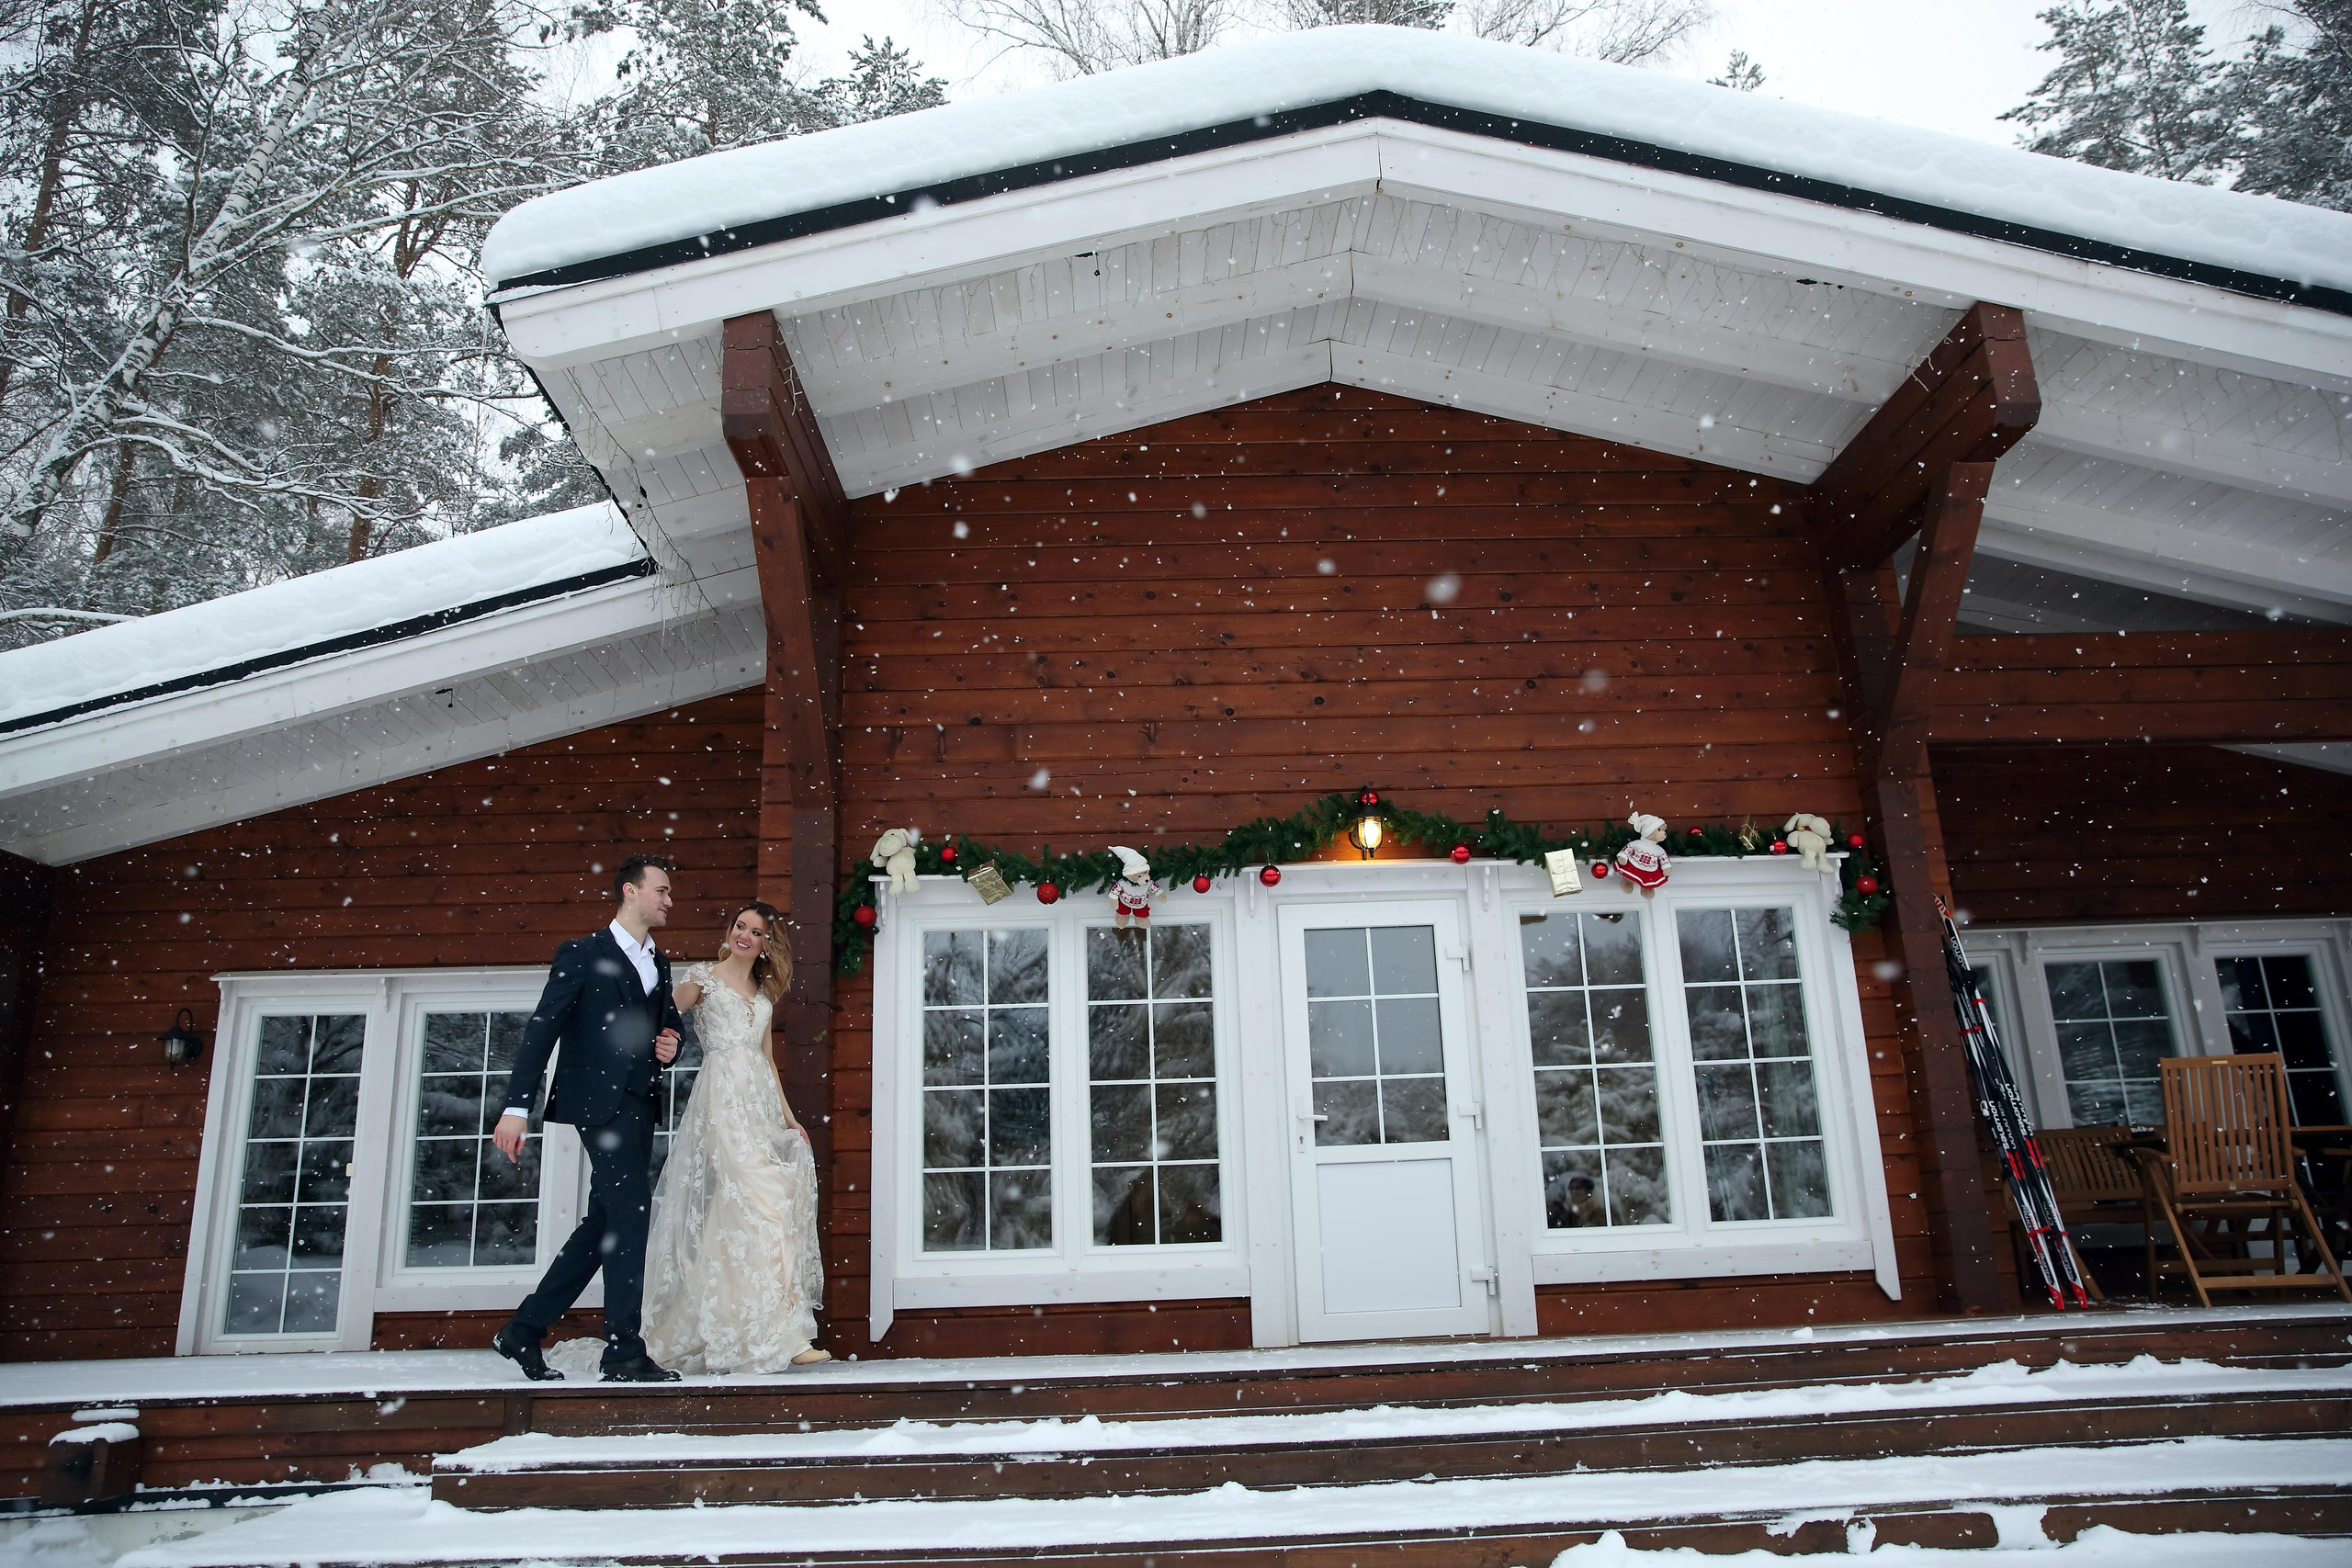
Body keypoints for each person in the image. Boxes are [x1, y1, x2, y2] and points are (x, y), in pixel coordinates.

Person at [490, 854, 686, 1383]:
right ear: (630, 892)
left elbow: (667, 1026)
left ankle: (524, 1330)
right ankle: (623, 1351)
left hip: (641, 1103)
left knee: (607, 1221)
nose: (669, 901)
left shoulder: (659, 963)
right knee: (631, 1215)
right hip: (598, 1104)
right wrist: (515, 1107)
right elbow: (542, 1029)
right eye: (662, 891)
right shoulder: (580, 954)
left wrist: (672, 1042)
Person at [641, 901, 830, 1372]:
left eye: (756, 931)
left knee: (757, 1213)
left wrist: (788, 1118)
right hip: (722, 1098)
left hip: (759, 1103)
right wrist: (655, 1040)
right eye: (740, 927)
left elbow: (766, 1060)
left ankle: (761, 1328)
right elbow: (663, 1013)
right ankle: (779, 1336)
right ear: (730, 932)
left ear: (768, 942)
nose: (745, 936)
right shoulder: (703, 976)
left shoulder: (762, 991)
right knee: (766, 1199)